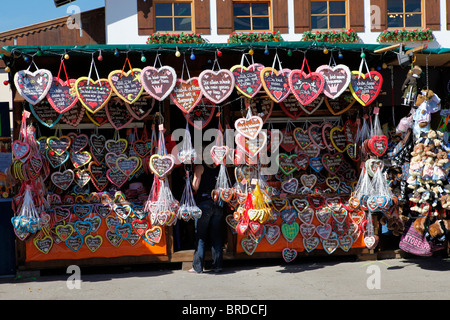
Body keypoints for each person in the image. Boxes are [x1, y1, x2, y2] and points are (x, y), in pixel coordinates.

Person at [188, 156, 223, 274]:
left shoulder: (200, 167)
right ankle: (217, 265)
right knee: (216, 236)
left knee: (201, 236)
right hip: (217, 203)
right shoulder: (219, 168)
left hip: (204, 203)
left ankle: (198, 267)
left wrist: (189, 179)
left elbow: (195, 186)